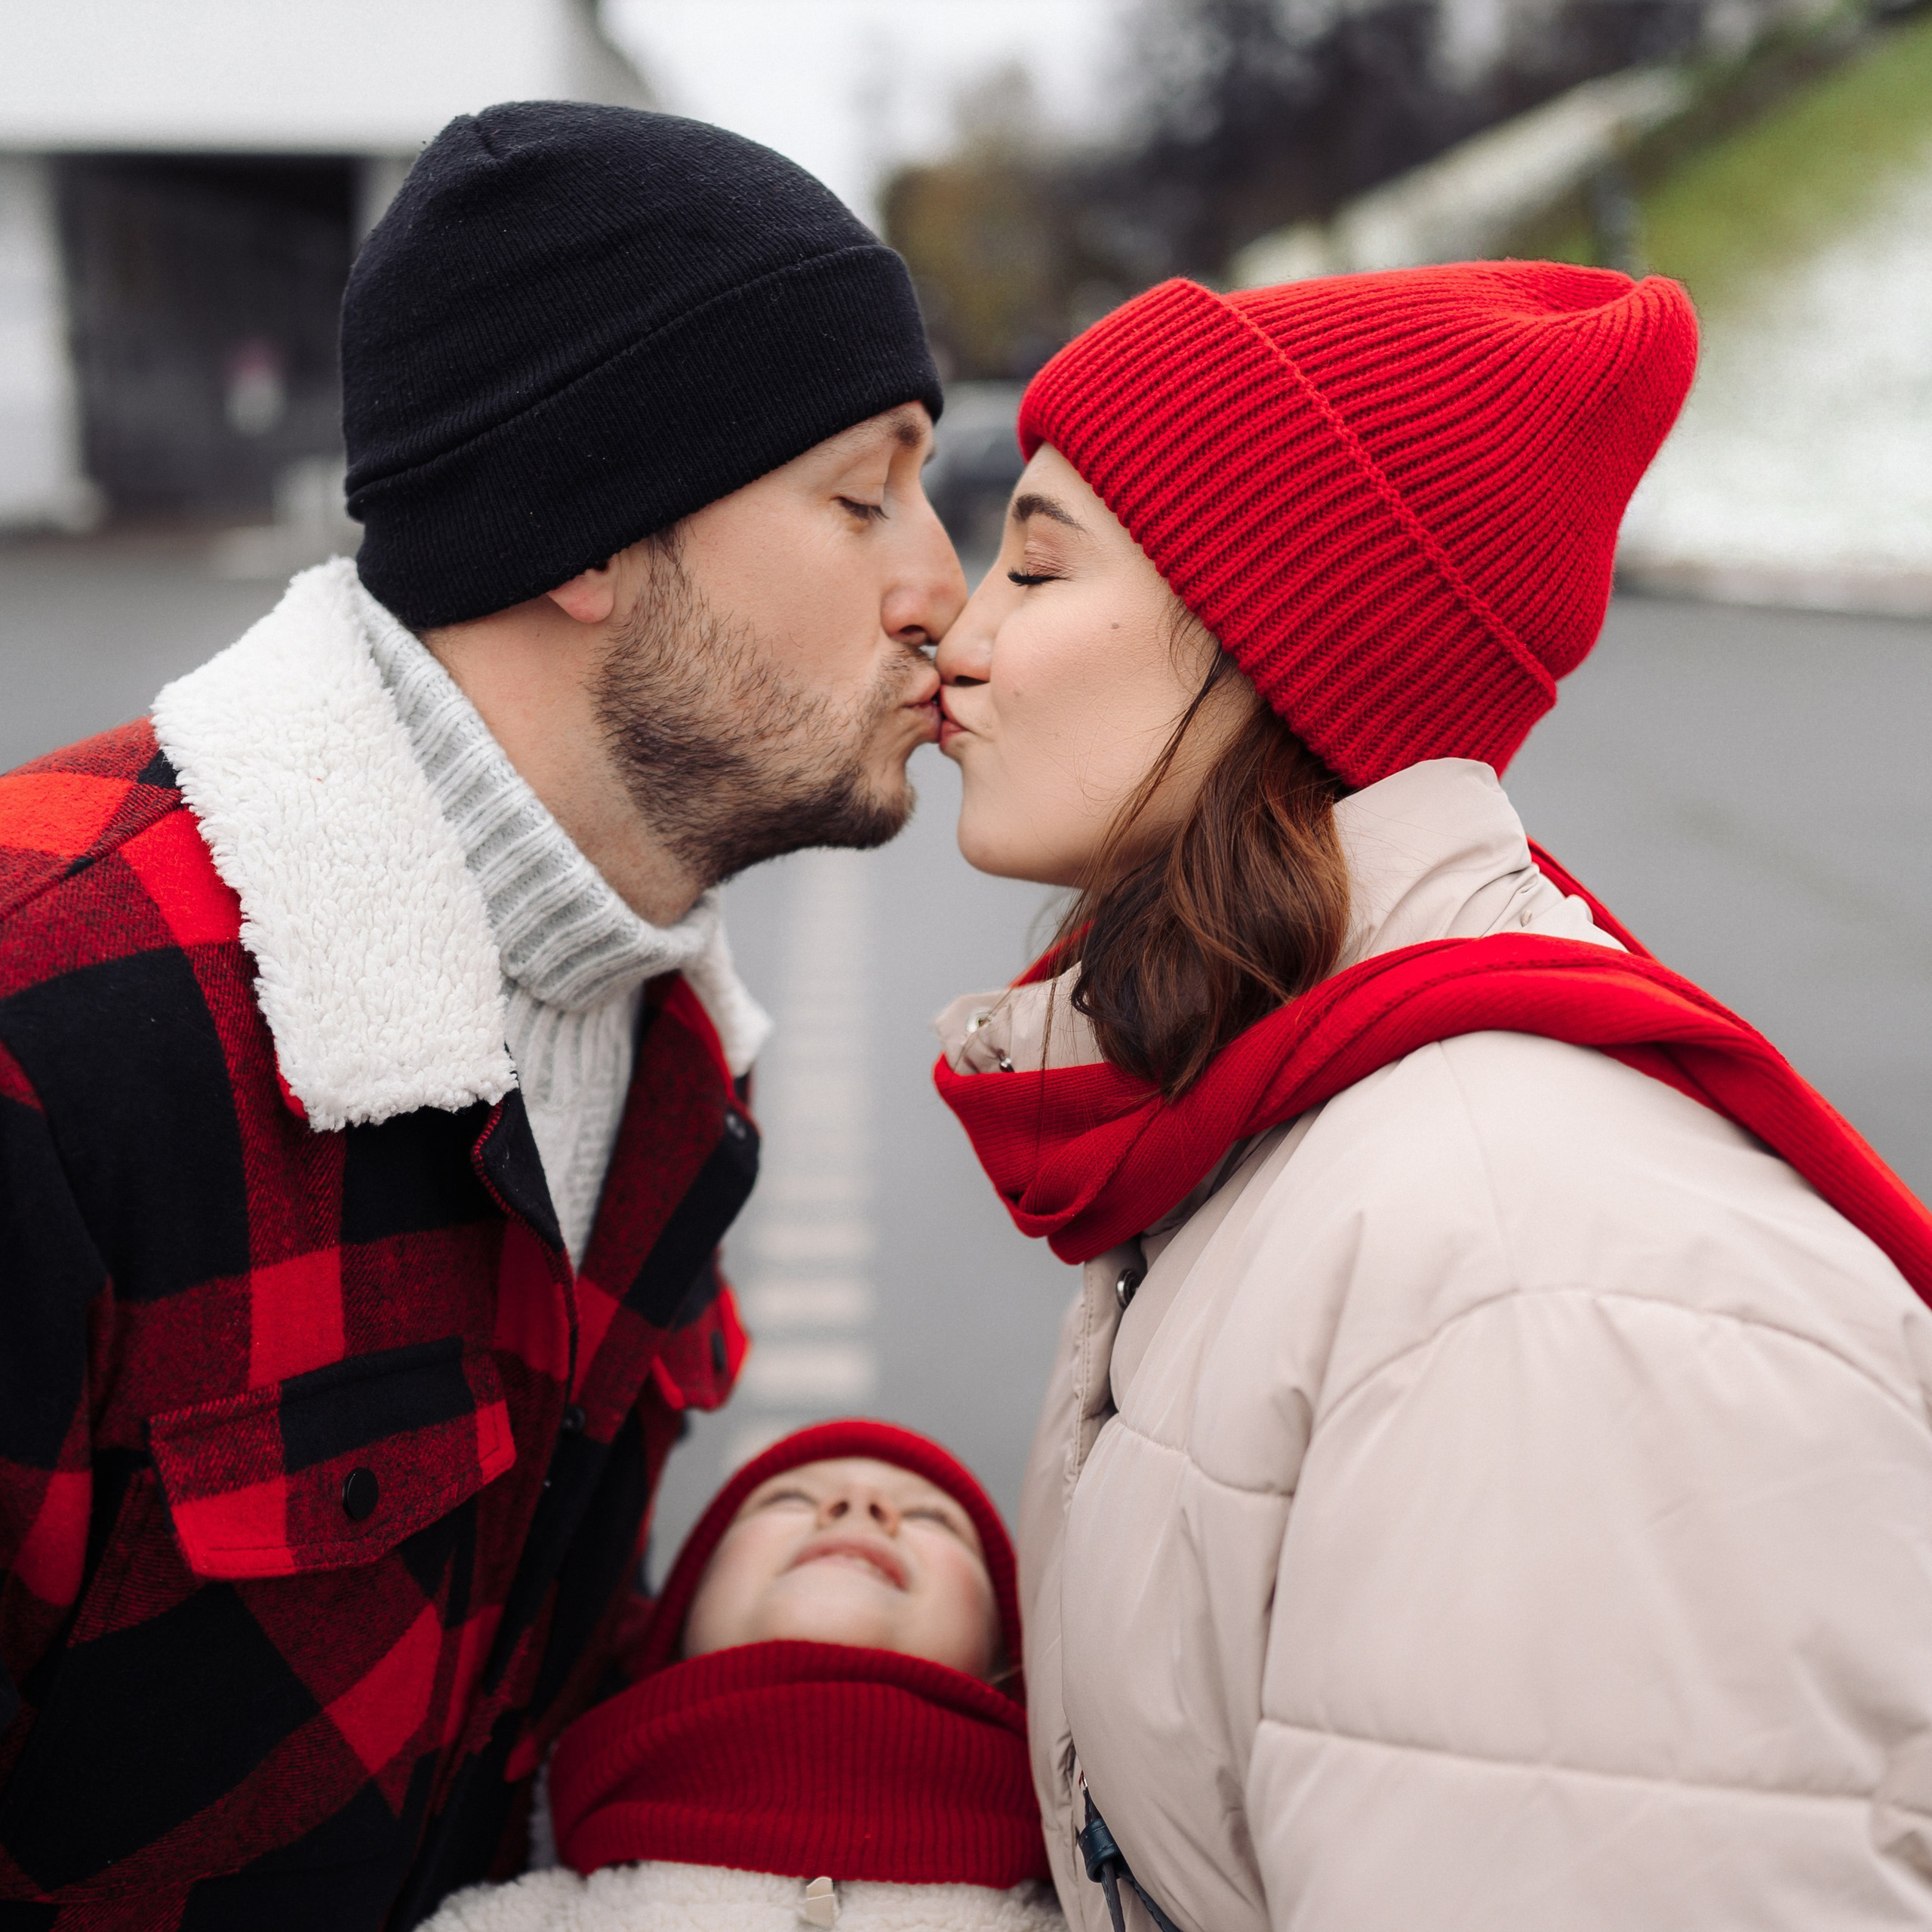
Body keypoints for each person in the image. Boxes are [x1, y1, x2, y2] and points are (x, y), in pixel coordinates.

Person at [0, 104, 962, 1928]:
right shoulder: (51, 1015)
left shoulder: (665, 1064)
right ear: (588, 526)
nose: (939, 587)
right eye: (862, 494)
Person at [931, 263, 1932, 1930]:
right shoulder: (1268, 1117)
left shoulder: (1533, 1272)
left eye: (1034, 562)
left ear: (1282, 638)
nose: (959, 638)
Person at [423, 1420, 1061, 1931]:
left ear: (1010, 1658)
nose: (860, 1503)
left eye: (931, 1517)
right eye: (789, 1497)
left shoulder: (1112, 1909)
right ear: (676, 1621)